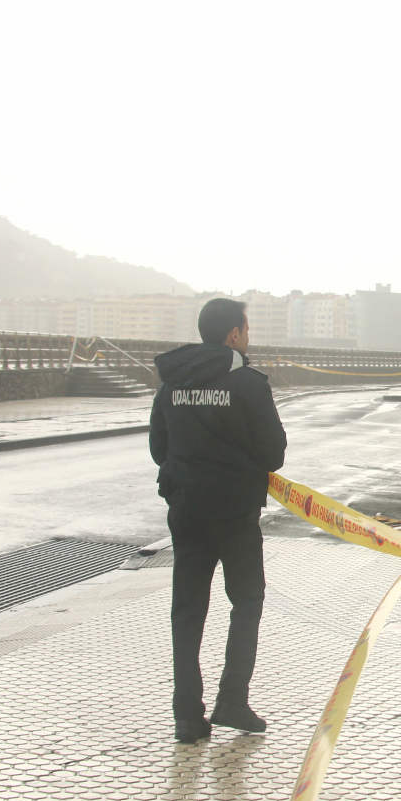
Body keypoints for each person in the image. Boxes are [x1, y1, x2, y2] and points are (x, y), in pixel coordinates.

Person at [149, 298, 287, 743]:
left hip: (186, 511)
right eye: (246, 329)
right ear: (233, 334)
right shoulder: (247, 382)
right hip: (234, 513)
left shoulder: (172, 383)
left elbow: (158, 448)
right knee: (246, 601)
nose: (248, 337)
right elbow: (274, 454)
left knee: (187, 611)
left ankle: (187, 715)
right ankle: (233, 701)